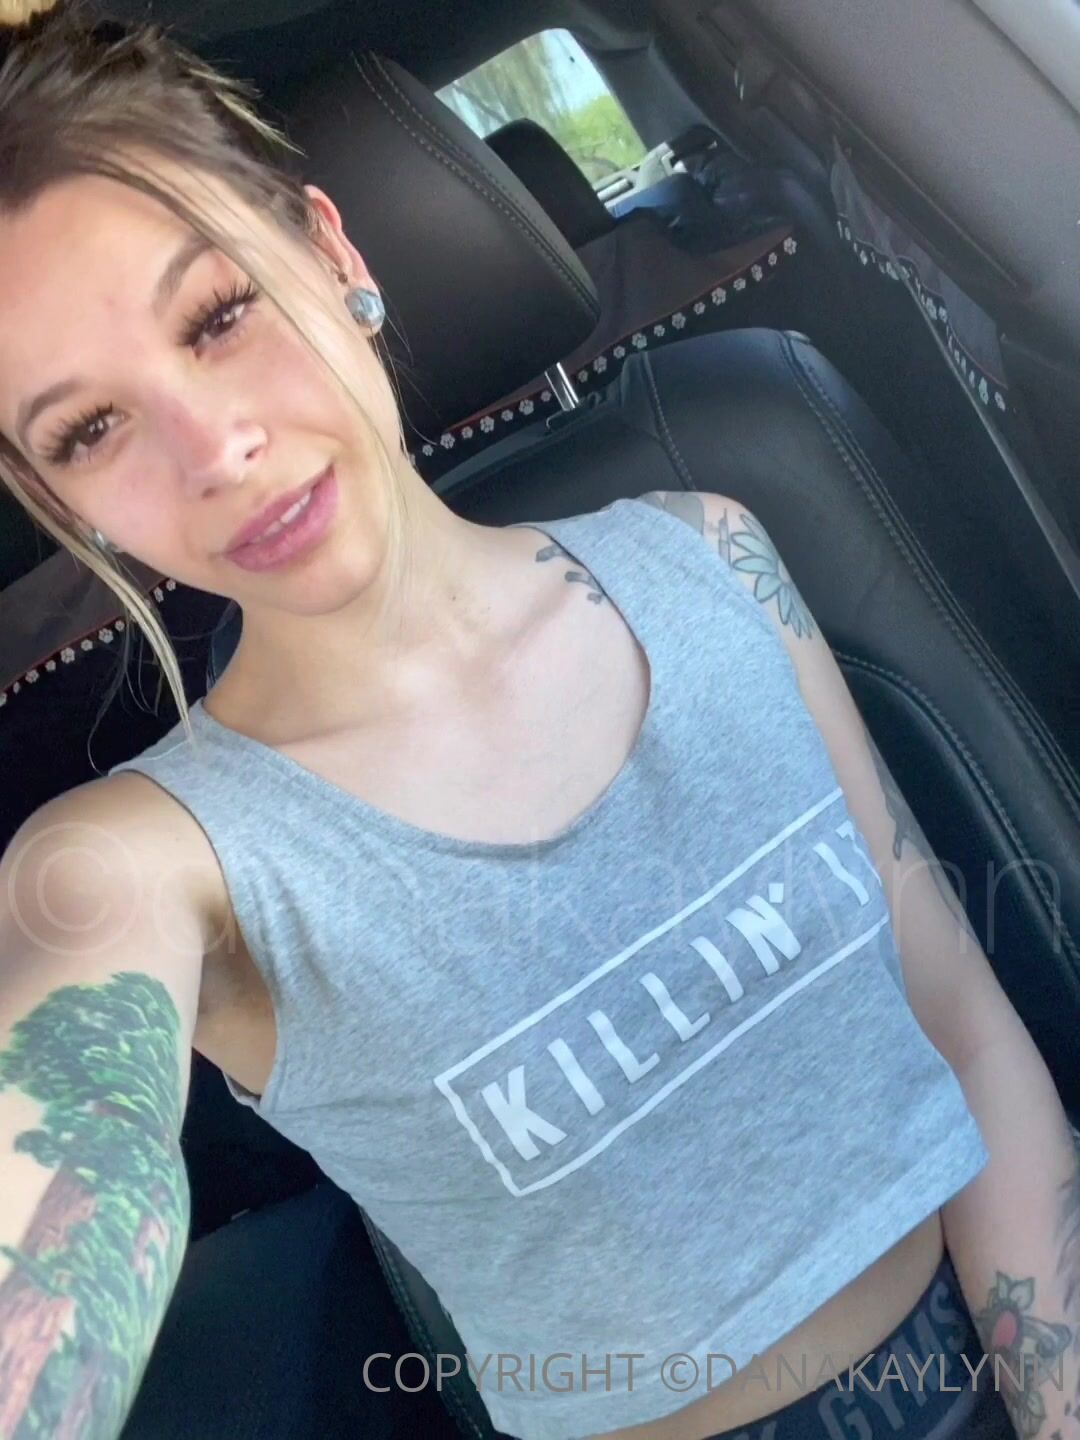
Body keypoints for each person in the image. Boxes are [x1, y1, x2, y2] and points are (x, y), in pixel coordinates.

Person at [0, 5, 1076, 1440]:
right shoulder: (139, 862)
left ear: (333, 255)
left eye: (219, 314)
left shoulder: (711, 555)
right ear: (59, 500)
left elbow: (956, 1016)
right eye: (90, 429)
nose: (218, 450)